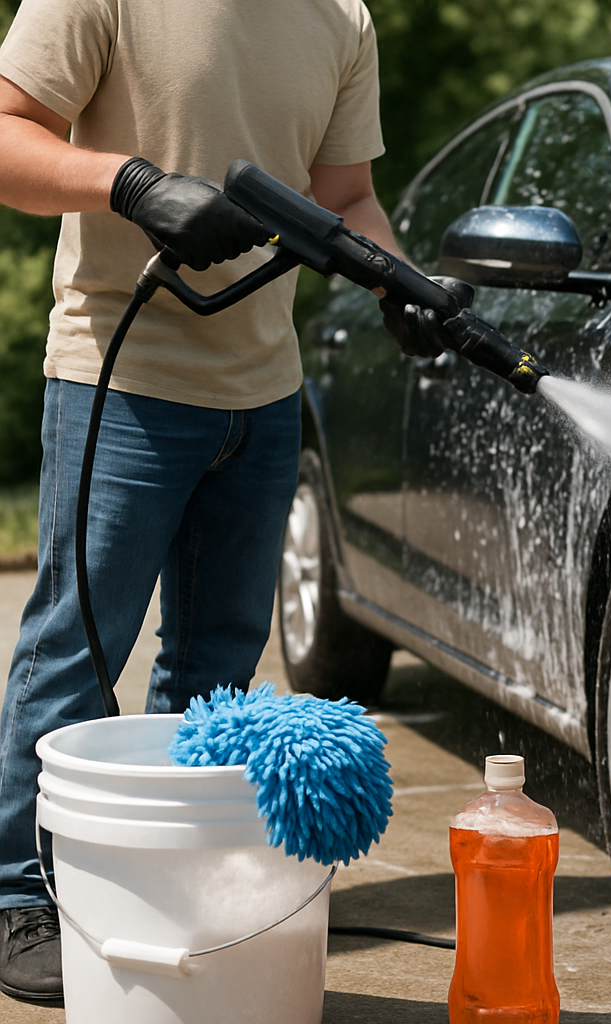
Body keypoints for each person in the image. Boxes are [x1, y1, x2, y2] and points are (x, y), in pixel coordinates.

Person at [0, 0, 440, 1002]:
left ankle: (173, 883)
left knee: (218, 670)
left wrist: (400, 284)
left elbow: (347, 197)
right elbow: (6, 133)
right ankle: (17, 891)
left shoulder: (342, 16)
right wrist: (130, 183)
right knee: (80, 645)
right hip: (121, 374)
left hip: (264, 393)